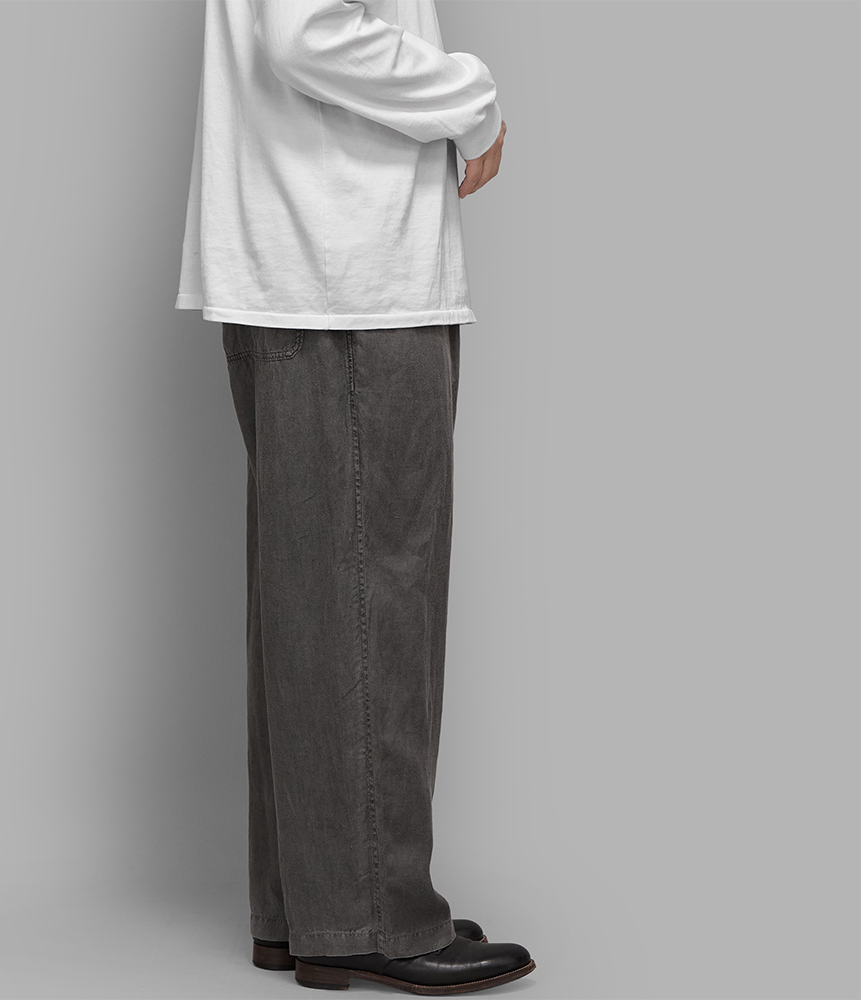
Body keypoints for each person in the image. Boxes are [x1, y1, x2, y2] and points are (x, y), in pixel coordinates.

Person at [174, 1, 534, 993]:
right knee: (375, 598)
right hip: (350, 271)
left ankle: (312, 907)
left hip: (303, 259)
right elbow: (309, 33)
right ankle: (371, 915)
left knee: (313, 606)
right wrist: (471, 97)